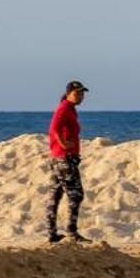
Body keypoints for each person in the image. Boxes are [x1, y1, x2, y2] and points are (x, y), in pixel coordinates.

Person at [45, 80, 88, 244]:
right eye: (77, 94)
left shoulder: (70, 109)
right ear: (68, 94)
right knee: (76, 195)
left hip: (60, 158)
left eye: (82, 94)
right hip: (64, 158)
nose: (80, 97)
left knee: (55, 195)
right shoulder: (63, 108)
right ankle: (71, 231)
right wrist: (63, 144)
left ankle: (51, 233)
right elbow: (54, 128)